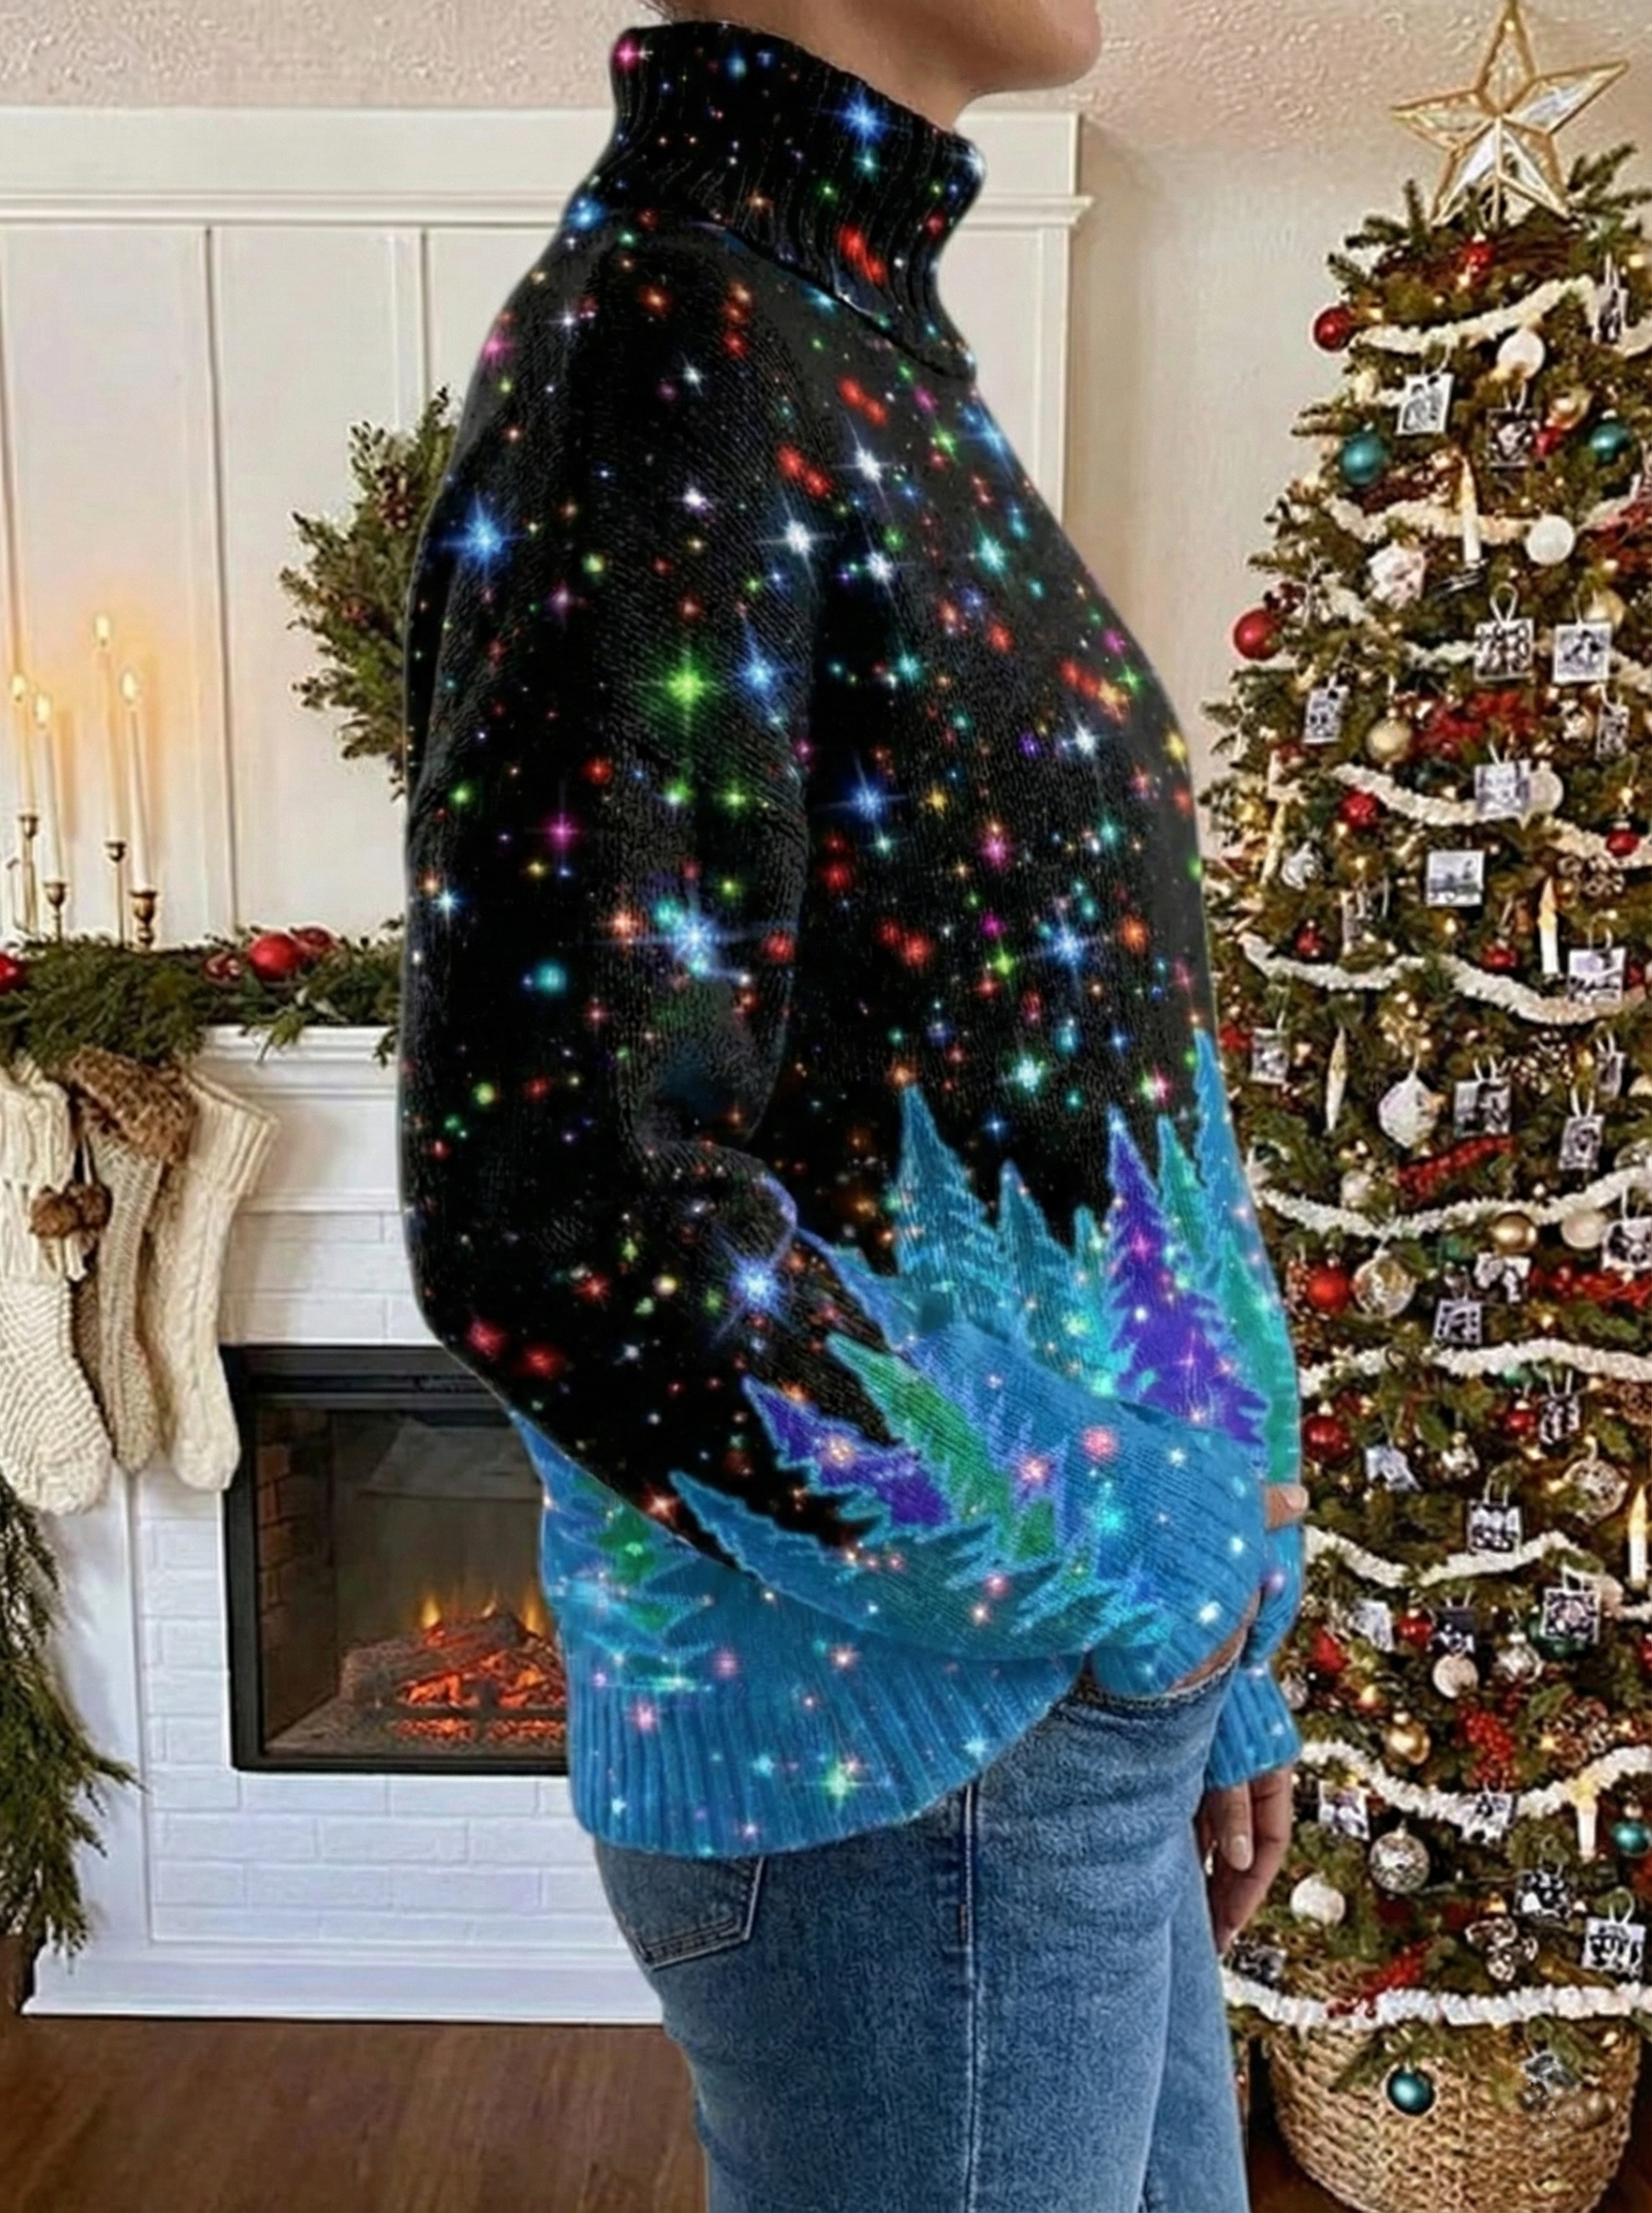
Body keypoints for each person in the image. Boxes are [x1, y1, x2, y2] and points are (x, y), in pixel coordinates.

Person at [397, 6, 1309, 2207]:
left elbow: (1077, 1076)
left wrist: (1218, 1666)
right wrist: (1152, 1560)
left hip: (1044, 1723)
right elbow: (564, 1214)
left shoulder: (854, 346)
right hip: (901, 1754)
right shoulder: (667, 345)